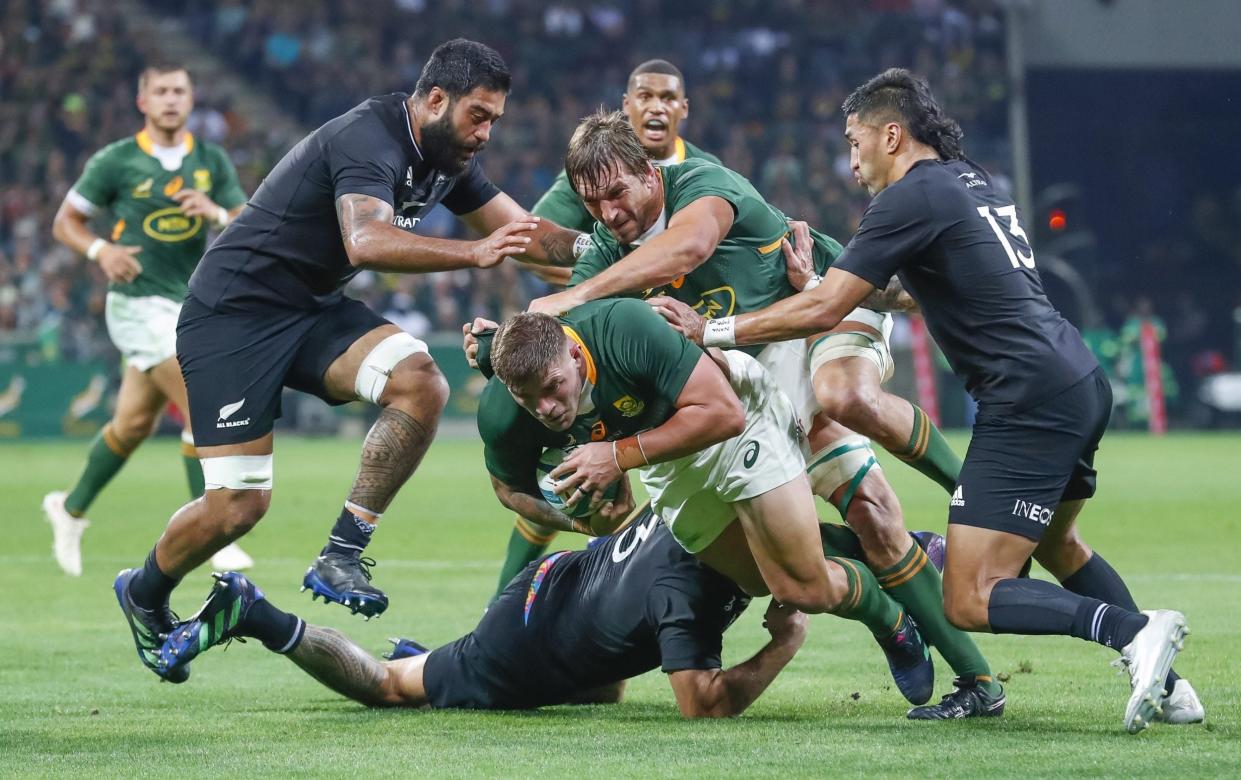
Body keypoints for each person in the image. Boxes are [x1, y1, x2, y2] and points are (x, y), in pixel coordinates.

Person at [664, 67, 1199, 732]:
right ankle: (1170, 688)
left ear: (891, 135)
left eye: (854, 140)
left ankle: (1133, 630)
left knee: (967, 597)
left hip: (1024, 399)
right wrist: (829, 283)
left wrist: (710, 328)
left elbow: (824, 311)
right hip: (1072, 378)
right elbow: (917, 293)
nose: (848, 157)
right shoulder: (969, 182)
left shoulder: (907, 198)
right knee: (1061, 548)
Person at [113, 39, 582, 683]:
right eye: (480, 115)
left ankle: (341, 554)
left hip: (310, 310)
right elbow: (363, 239)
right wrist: (473, 254)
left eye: (495, 120)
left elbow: (529, 237)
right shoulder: (370, 136)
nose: (487, 132)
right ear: (436, 99)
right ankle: (142, 591)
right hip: (233, 316)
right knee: (237, 509)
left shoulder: (448, 155)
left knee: (421, 382)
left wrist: (619, 250)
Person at [510, 110, 997, 717]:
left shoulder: (705, 184)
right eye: (592, 203)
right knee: (783, 573)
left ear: (648, 171)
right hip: (741, 371)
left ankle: (970, 543)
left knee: (866, 487)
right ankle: (892, 612)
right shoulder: (609, 250)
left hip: (814, 311)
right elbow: (567, 345)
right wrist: (500, 343)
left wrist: (578, 293)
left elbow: (687, 246)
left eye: (616, 192)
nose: (608, 213)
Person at [472, 300, 954, 713]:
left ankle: (905, 620)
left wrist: (616, 456)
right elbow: (509, 490)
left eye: (553, 387)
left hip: (739, 400)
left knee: (803, 577)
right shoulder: (503, 414)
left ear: (576, 357)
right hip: (669, 459)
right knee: (758, 576)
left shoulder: (623, 326)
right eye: (527, 398)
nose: (547, 408)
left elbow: (723, 412)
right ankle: (905, 562)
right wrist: (578, 522)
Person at [155, 510, 812, 717]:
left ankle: (447, 657)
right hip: (529, 633)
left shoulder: (698, 505)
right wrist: (783, 644)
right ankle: (254, 614)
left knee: (606, 688)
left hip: (562, 583)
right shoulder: (686, 592)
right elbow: (702, 703)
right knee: (392, 689)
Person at [491, 59, 721, 598]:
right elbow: (530, 238)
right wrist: (597, 257)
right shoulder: (591, 168)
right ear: (626, 105)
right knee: (577, 482)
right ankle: (506, 609)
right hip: (590, 332)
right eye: (644, 95)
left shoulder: (702, 174)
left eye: (668, 97)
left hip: (676, 335)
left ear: (684, 109)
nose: (656, 106)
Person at [42, 63, 252, 577]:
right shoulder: (116, 161)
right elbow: (65, 222)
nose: (170, 99)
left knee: (133, 424)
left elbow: (246, 219)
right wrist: (100, 249)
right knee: (199, 405)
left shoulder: (210, 161)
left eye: (179, 90)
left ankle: (68, 510)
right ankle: (213, 533)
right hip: (136, 303)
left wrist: (215, 212)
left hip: (186, 306)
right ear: (143, 102)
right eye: (160, 91)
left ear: (190, 99)